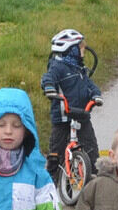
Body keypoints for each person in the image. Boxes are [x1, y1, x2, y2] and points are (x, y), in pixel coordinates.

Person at [41, 29, 103, 179]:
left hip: (81, 115)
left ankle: (93, 178)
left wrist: (96, 95)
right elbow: (48, 78)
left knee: (91, 149)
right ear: (71, 50)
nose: (84, 52)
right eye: (81, 48)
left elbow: (90, 84)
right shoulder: (57, 66)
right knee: (56, 152)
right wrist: (49, 88)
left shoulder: (80, 69)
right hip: (63, 117)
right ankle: (53, 181)